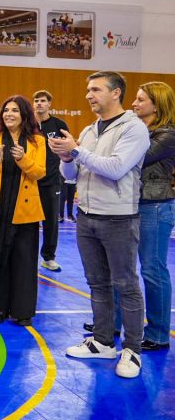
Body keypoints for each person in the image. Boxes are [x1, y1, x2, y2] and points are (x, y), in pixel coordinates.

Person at [49, 71, 149, 379]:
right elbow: (71, 176)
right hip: (87, 216)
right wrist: (67, 157)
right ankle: (104, 341)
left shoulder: (133, 128)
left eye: (95, 89)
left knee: (127, 285)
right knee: (97, 284)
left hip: (119, 218)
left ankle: (132, 350)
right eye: (88, 90)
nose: (89, 95)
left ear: (116, 92)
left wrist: (77, 150)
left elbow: (117, 169)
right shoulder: (91, 129)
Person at [0, 95, 46, 326]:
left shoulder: (37, 141)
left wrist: (24, 160)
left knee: (23, 261)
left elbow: (39, 173)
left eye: (14, 110)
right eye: (6, 110)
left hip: (25, 212)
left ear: (24, 114)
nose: (9, 114)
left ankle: (23, 310)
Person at [131, 81, 175, 351]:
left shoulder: (168, 135)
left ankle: (158, 333)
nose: (133, 104)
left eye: (140, 100)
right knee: (128, 269)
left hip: (155, 207)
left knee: (153, 270)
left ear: (156, 105)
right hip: (136, 205)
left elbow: (136, 158)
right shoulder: (142, 130)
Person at [32, 90, 69, 271]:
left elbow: (68, 149)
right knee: (28, 221)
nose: (39, 103)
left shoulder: (58, 125)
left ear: (49, 104)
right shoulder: (28, 125)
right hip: (30, 180)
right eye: (36, 101)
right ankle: (27, 256)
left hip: (52, 180)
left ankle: (48, 257)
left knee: (51, 221)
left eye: (43, 101)